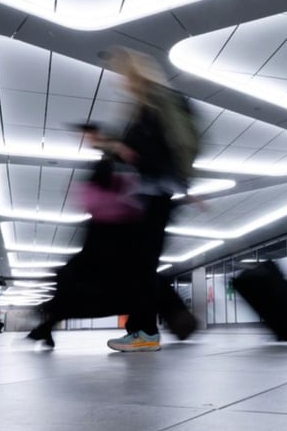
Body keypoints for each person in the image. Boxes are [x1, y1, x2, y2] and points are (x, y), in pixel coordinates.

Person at [27, 46, 197, 352]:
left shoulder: (154, 104)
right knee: (140, 268)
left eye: (122, 74)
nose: (121, 81)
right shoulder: (149, 105)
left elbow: (160, 149)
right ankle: (144, 330)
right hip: (152, 195)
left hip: (154, 195)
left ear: (134, 73)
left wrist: (122, 150)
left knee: (141, 268)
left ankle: (146, 332)